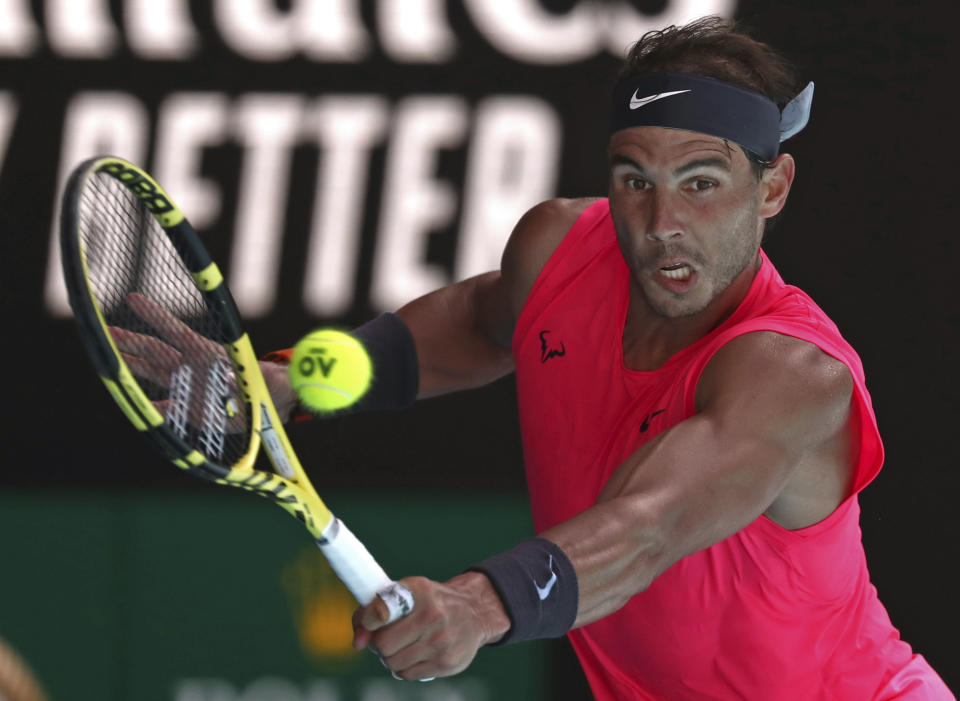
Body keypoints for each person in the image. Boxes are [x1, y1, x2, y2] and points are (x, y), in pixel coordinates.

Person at [265, 17, 953, 700]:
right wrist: (292, 379)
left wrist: (479, 605)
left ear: (771, 188)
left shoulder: (794, 373)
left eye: (701, 182)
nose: (661, 225)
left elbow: (647, 525)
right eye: (635, 179)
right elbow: (480, 322)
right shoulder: (559, 250)